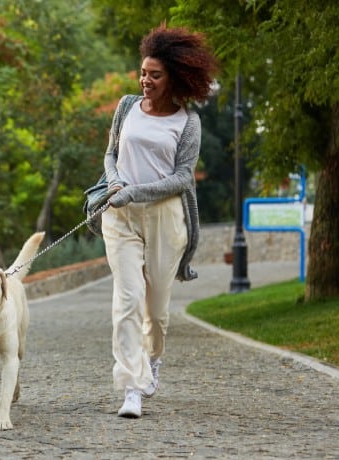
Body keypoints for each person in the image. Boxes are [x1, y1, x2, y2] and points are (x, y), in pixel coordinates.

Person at [101, 24, 219, 418]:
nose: (145, 80)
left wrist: (137, 190)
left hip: (165, 219)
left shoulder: (187, 123)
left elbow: (182, 178)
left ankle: (153, 359)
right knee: (128, 300)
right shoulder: (126, 107)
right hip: (121, 216)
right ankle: (131, 387)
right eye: (142, 73)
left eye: (155, 75)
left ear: (174, 79)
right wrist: (116, 182)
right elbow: (110, 155)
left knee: (157, 310)